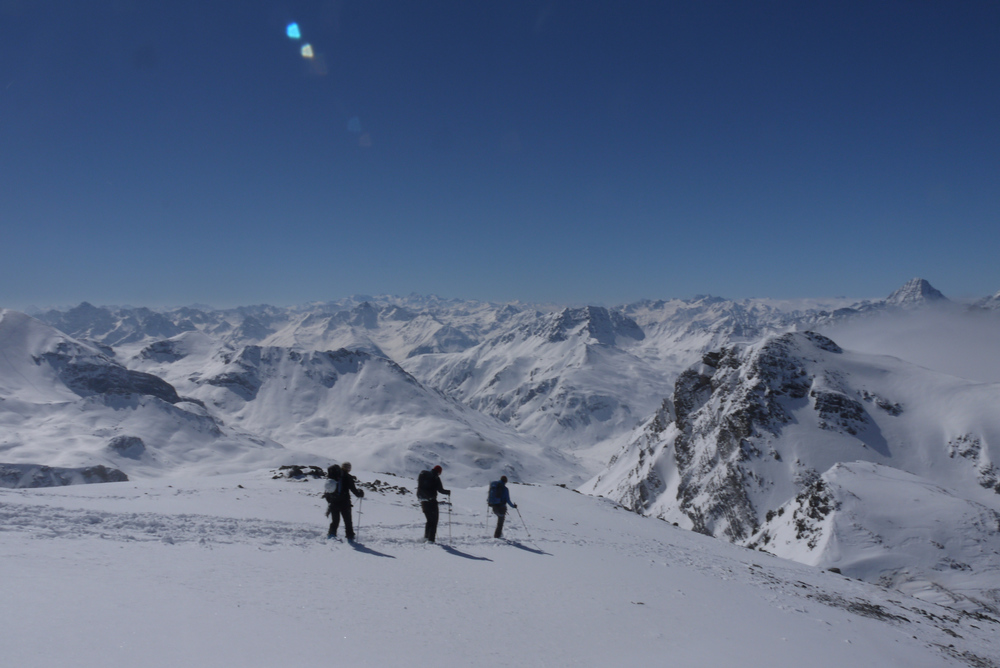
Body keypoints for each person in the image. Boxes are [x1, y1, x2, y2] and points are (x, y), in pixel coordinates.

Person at [325, 461, 363, 540]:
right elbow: (353, 489)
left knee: (335, 520)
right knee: (347, 521)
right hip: (345, 502)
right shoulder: (348, 477)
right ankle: (350, 535)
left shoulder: (334, 476)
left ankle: (331, 534)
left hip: (333, 501)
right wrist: (360, 494)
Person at [416, 464, 450, 542]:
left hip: (423, 501)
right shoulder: (436, 478)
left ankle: (426, 538)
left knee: (429, 520)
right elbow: (440, 490)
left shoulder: (424, 475)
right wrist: (448, 492)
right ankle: (431, 540)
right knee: (434, 521)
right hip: (432, 502)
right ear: (439, 472)